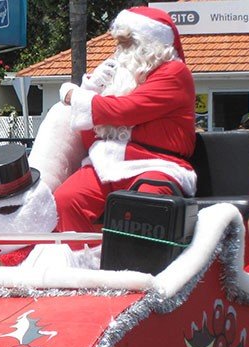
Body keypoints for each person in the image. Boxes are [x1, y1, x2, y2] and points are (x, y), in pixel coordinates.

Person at [55, 6, 196, 233]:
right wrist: (91, 87)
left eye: (126, 43)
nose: (119, 51)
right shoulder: (121, 78)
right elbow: (90, 130)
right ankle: (81, 262)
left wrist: (77, 96)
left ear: (150, 43)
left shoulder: (175, 73)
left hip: (156, 164)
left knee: (145, 202)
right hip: (107, 163)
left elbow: (126, 110)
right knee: (66, 199)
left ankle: (141, 267)